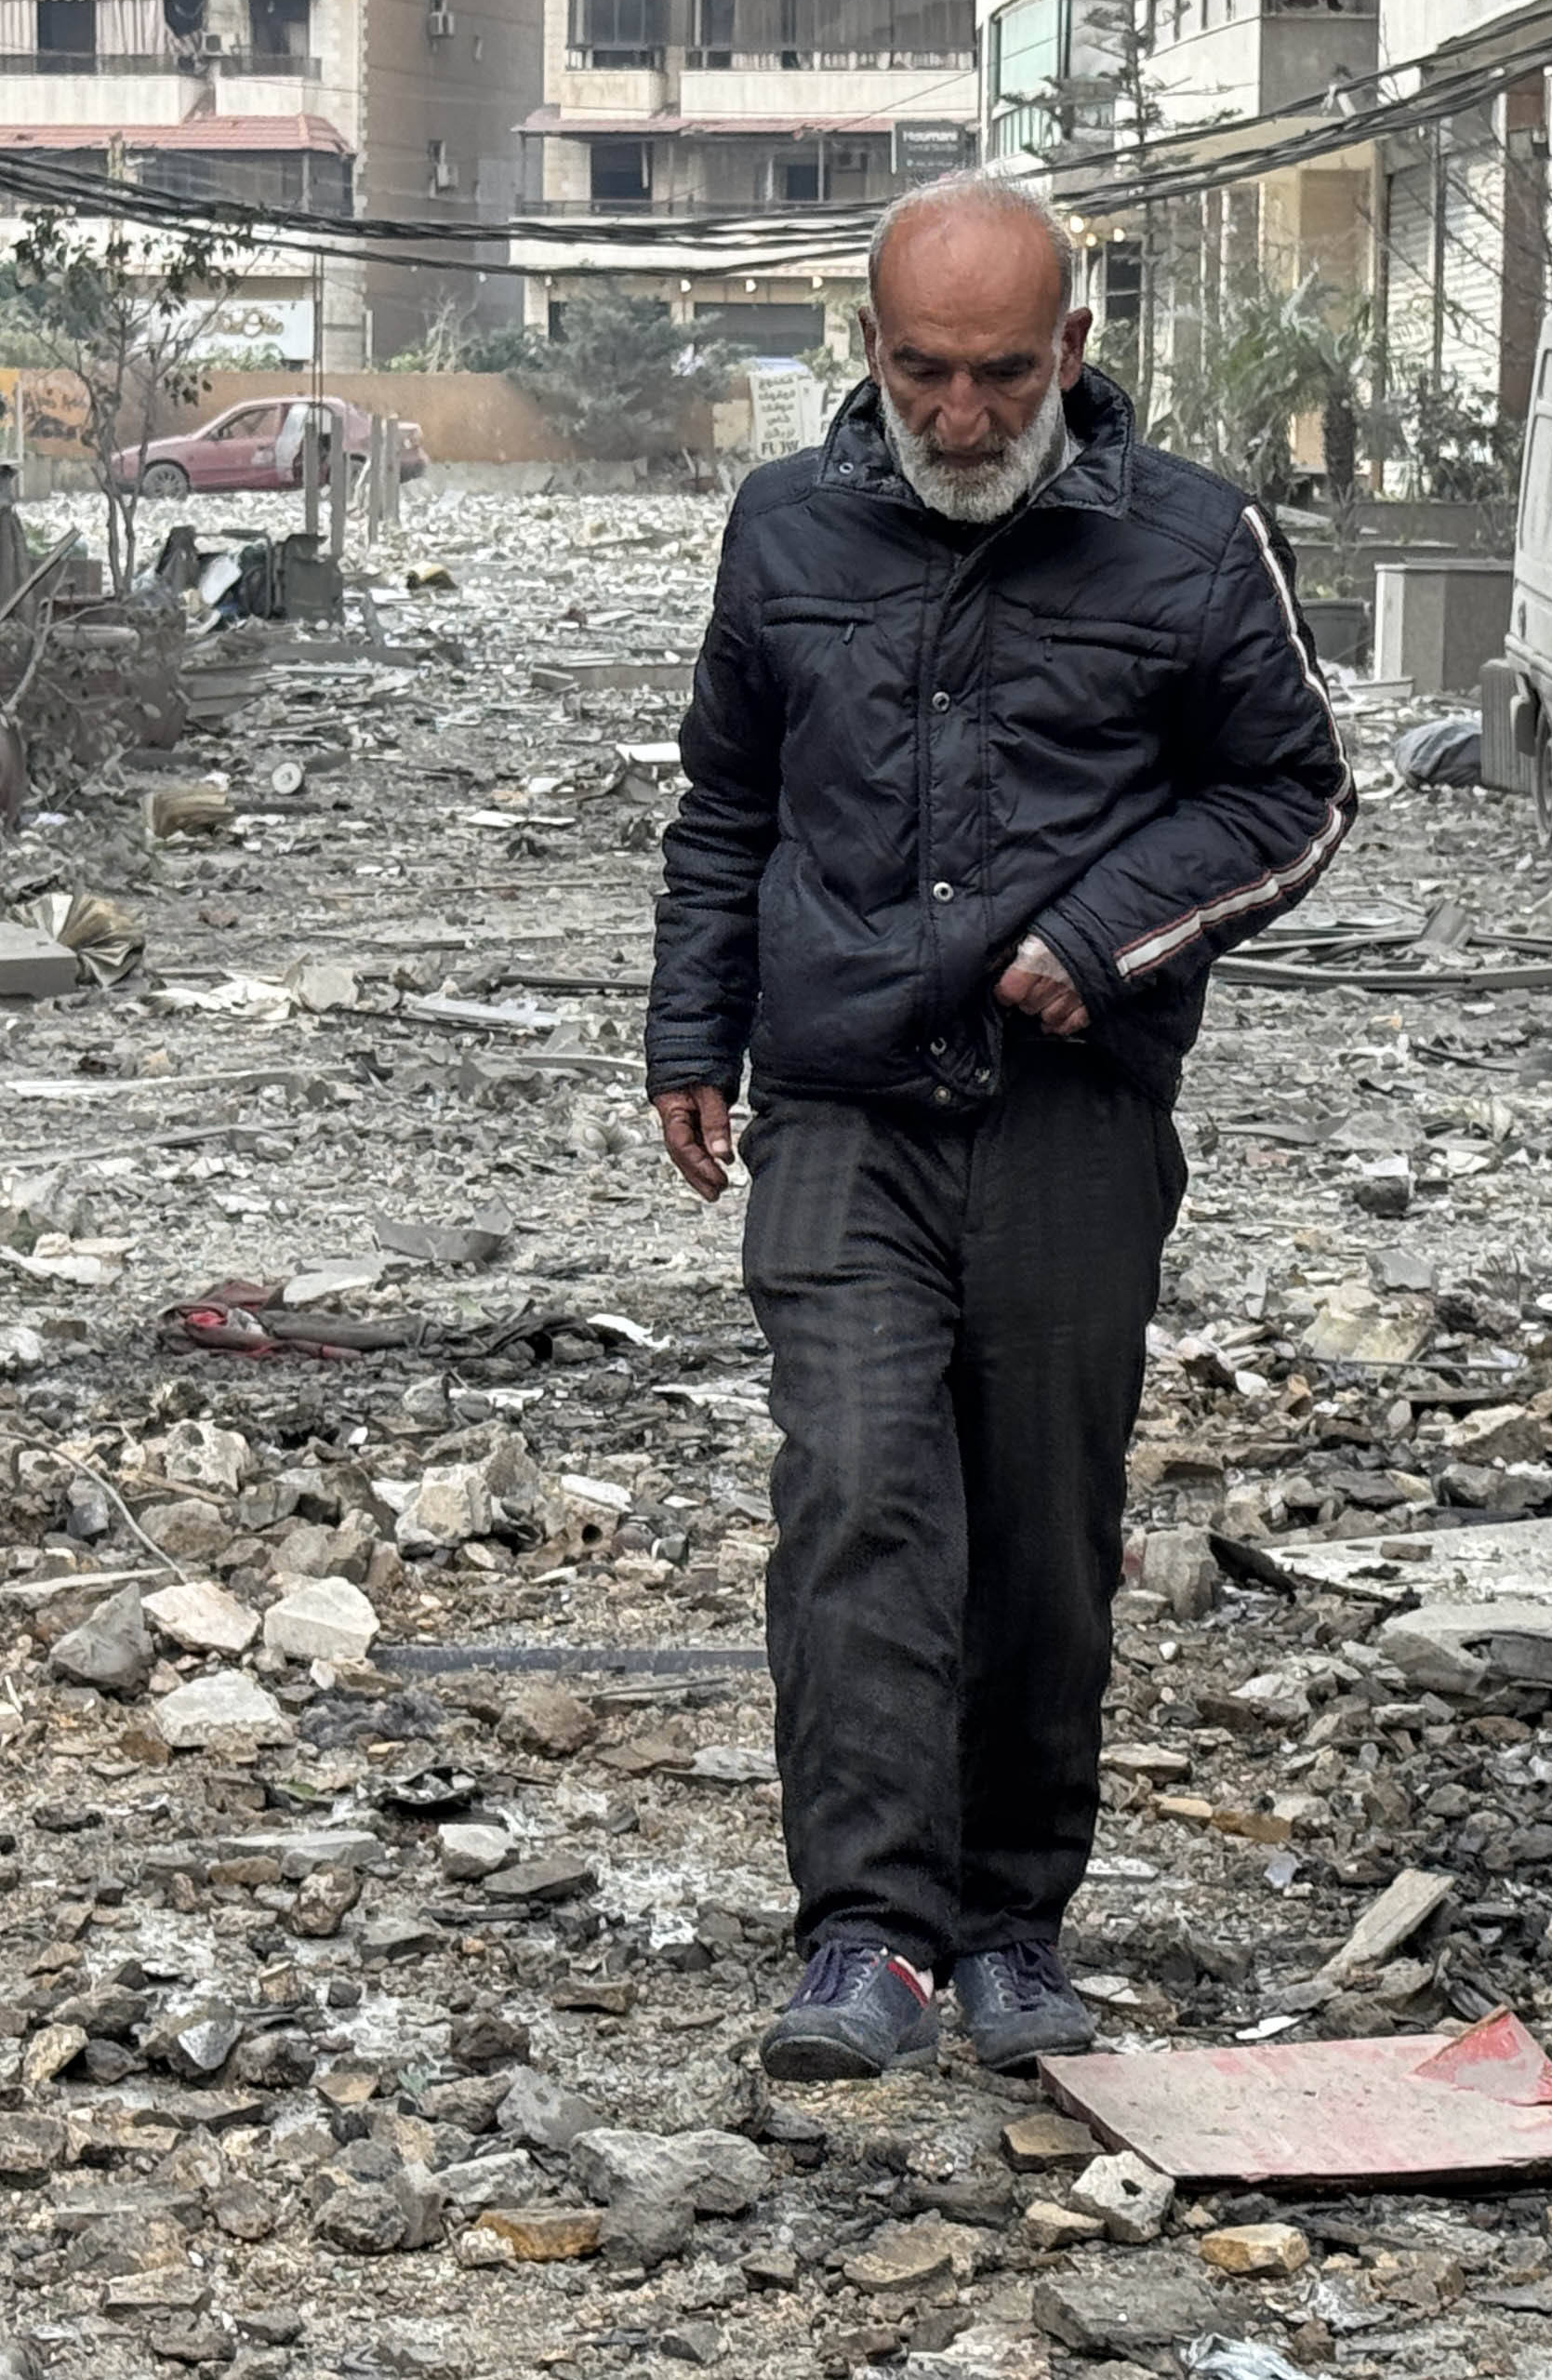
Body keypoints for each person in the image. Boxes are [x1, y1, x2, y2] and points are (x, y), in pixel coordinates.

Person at [643, 174, 1358, 2079]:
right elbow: (726, 807)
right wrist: (689, 1031)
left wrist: (1103, 938)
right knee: (859, 1489)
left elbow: (1292, 796)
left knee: (1044, 1523)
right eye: (922, 373)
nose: (960, 418)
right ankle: (868, 1935)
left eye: (1002, 376)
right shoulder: (783, 527)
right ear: (868, 350)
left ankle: (1014, 1921)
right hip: (842, 1105)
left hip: (1070, 1119)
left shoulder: (1194, 545)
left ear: (1075, 350)